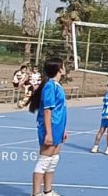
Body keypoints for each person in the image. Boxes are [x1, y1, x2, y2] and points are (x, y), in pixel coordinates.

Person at [28, 57, 68, 196]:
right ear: (59, 69)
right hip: (49, 127)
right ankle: (36, 193)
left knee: (54, 159)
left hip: (58, 127)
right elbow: (47, 110)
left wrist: (63, 129)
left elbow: (60, 110)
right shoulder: (50, 86)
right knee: (44, 160)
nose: (65, 69)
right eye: (63, 66)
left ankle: (48, 191)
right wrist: (48, 133)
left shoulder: (57, 85)